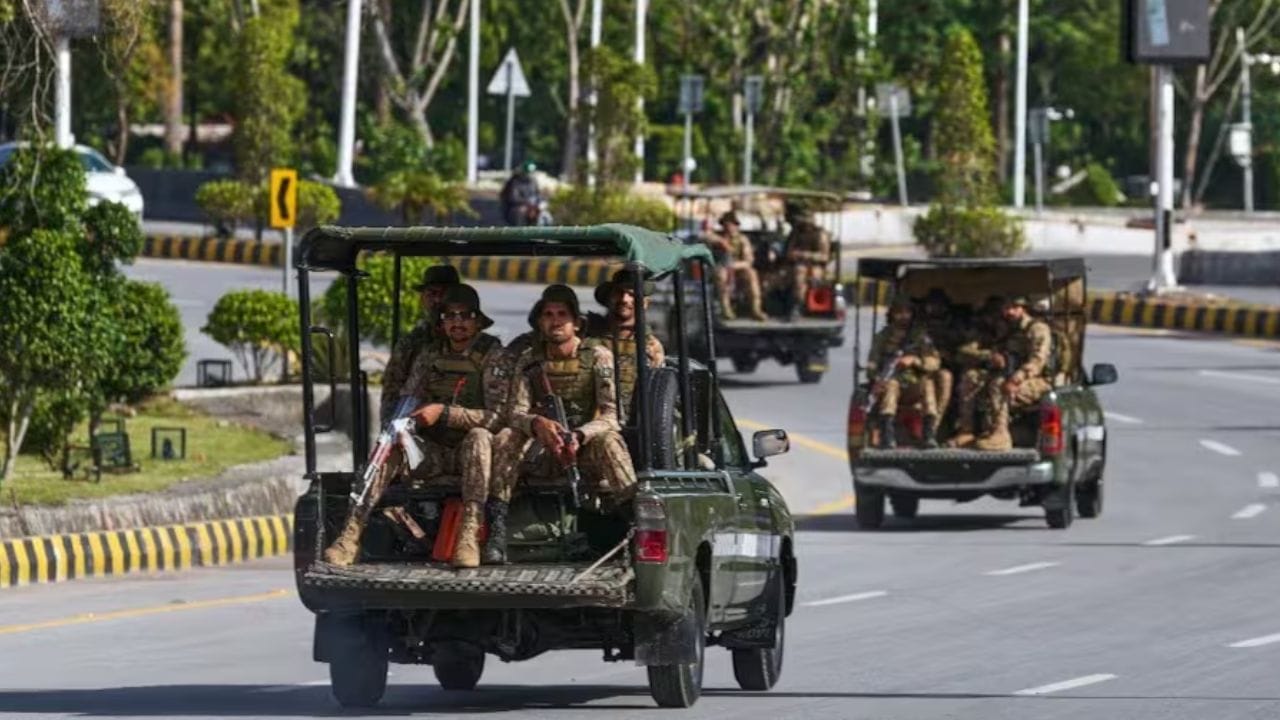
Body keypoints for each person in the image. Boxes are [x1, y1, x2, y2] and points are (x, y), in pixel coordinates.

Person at [325, 284, 504, 568]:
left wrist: (444, 413)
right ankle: (350, 535)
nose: (457, 322)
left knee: (480, 437)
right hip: (431, 453)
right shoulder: (430, 355)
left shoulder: (492, 354)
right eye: (450, 316)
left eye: (465, 315)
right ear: (442, 322)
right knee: (389, 447)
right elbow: (409, 398)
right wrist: (398, 431)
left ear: (477, 320)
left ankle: (468, 536)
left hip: (471, 456)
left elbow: (496, 416)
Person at [490, 285, 636, 524]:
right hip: (541, 451)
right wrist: (537, 424)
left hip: (582, 450)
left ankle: (633, 523)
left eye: (562, 315)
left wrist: (579, 435)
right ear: (539, 322)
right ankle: (495, 525)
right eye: (548, 315)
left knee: (611, 441)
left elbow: (611, 416)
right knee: (506, 436)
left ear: (576, 323)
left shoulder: (598, 356)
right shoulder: (529, 358)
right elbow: (515, 412)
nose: (555, 321)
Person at [381, 265, 460, 421]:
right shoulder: (410, 343)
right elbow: (392, 390)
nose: (437, 300)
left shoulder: (474, 340)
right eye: (432, 294)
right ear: (422, 298)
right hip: (418, 425)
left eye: (443, 294)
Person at [975, 295, 1053, 451]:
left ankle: (1001, 436)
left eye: (1013, 308)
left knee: (999, 387)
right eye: (1005, 308)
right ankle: (977, 431)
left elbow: (1037, 361)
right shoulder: (1009, 328)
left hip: (1039, 380)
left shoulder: (1037, 329)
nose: (1008, 312)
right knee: (976, 381)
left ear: (1022, 309)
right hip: (1011, 374)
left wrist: (1016, 379)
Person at [585, 269, 666, 420]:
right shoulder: (584, 333)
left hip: (630, 425)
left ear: (645, 303)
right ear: (609, 297)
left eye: (633, 295)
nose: (625, 299)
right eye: (619, 293)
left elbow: (656, 397)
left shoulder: (650, 346)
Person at [866, 297, 941, 449]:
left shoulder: (919, 336)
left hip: (914, 382)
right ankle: (888, 436)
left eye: (907, 312)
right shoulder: (883, 337)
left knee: (928, 386)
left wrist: (915, 361)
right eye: (899, 312)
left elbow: (934, 362)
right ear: (892, 314)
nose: (903, 316)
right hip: (892, 381)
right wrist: (875, 379)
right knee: (891, 386)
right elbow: (872, 363)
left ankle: (929, 435)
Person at [948, 296, 1011, 449]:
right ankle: (966, 430)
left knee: (998, 384)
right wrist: (988, 356)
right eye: (990, 315)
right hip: (990, 371)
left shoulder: (1018, 330)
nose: (993, 319)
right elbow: (964, 351)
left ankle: (1000, 433)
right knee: (970, 377)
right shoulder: (984, 333)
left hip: (1013, 374)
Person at [702, 212, 766, 321]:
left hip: (737, 268)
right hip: (720, 268)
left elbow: (748, 260)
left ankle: (756, 309)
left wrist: (733, 265)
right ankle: (726, 308)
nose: (730, 228)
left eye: (732, 225)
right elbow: (705, 236)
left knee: (752, 274)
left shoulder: (742, 240)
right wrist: (721, 241)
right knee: (721, 275)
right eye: (727, 225)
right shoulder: (718, 237)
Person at [920, 288, 962, 434]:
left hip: (948, 368)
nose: (934, 309)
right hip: (919, 369)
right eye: (931, 305)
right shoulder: (917, 326)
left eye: (939, 306)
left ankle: (933, 428)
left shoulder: (955, 326)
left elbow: (963, 347)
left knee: (946, 378)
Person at [783, 204, 832, 321]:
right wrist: (794, 255)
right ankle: (794, 305)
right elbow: (789, 252)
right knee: (798, 272)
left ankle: (798, 306)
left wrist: (805, 255)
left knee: (805, 273)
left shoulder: (820, 234)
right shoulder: (797, 233)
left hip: (816, 266)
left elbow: (824, 256)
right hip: (798, 265)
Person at [500, 161, 541, 226]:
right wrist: (527, 202)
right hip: (515, 207)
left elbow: (538, 194)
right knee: (521, 211)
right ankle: (519, 231)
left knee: (542, 211)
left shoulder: (533, 182)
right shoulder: (515, 181)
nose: (530, 175)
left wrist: (537, 202)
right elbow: (513, 198)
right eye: (528, 173)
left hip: (532, 206)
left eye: (532, 173)